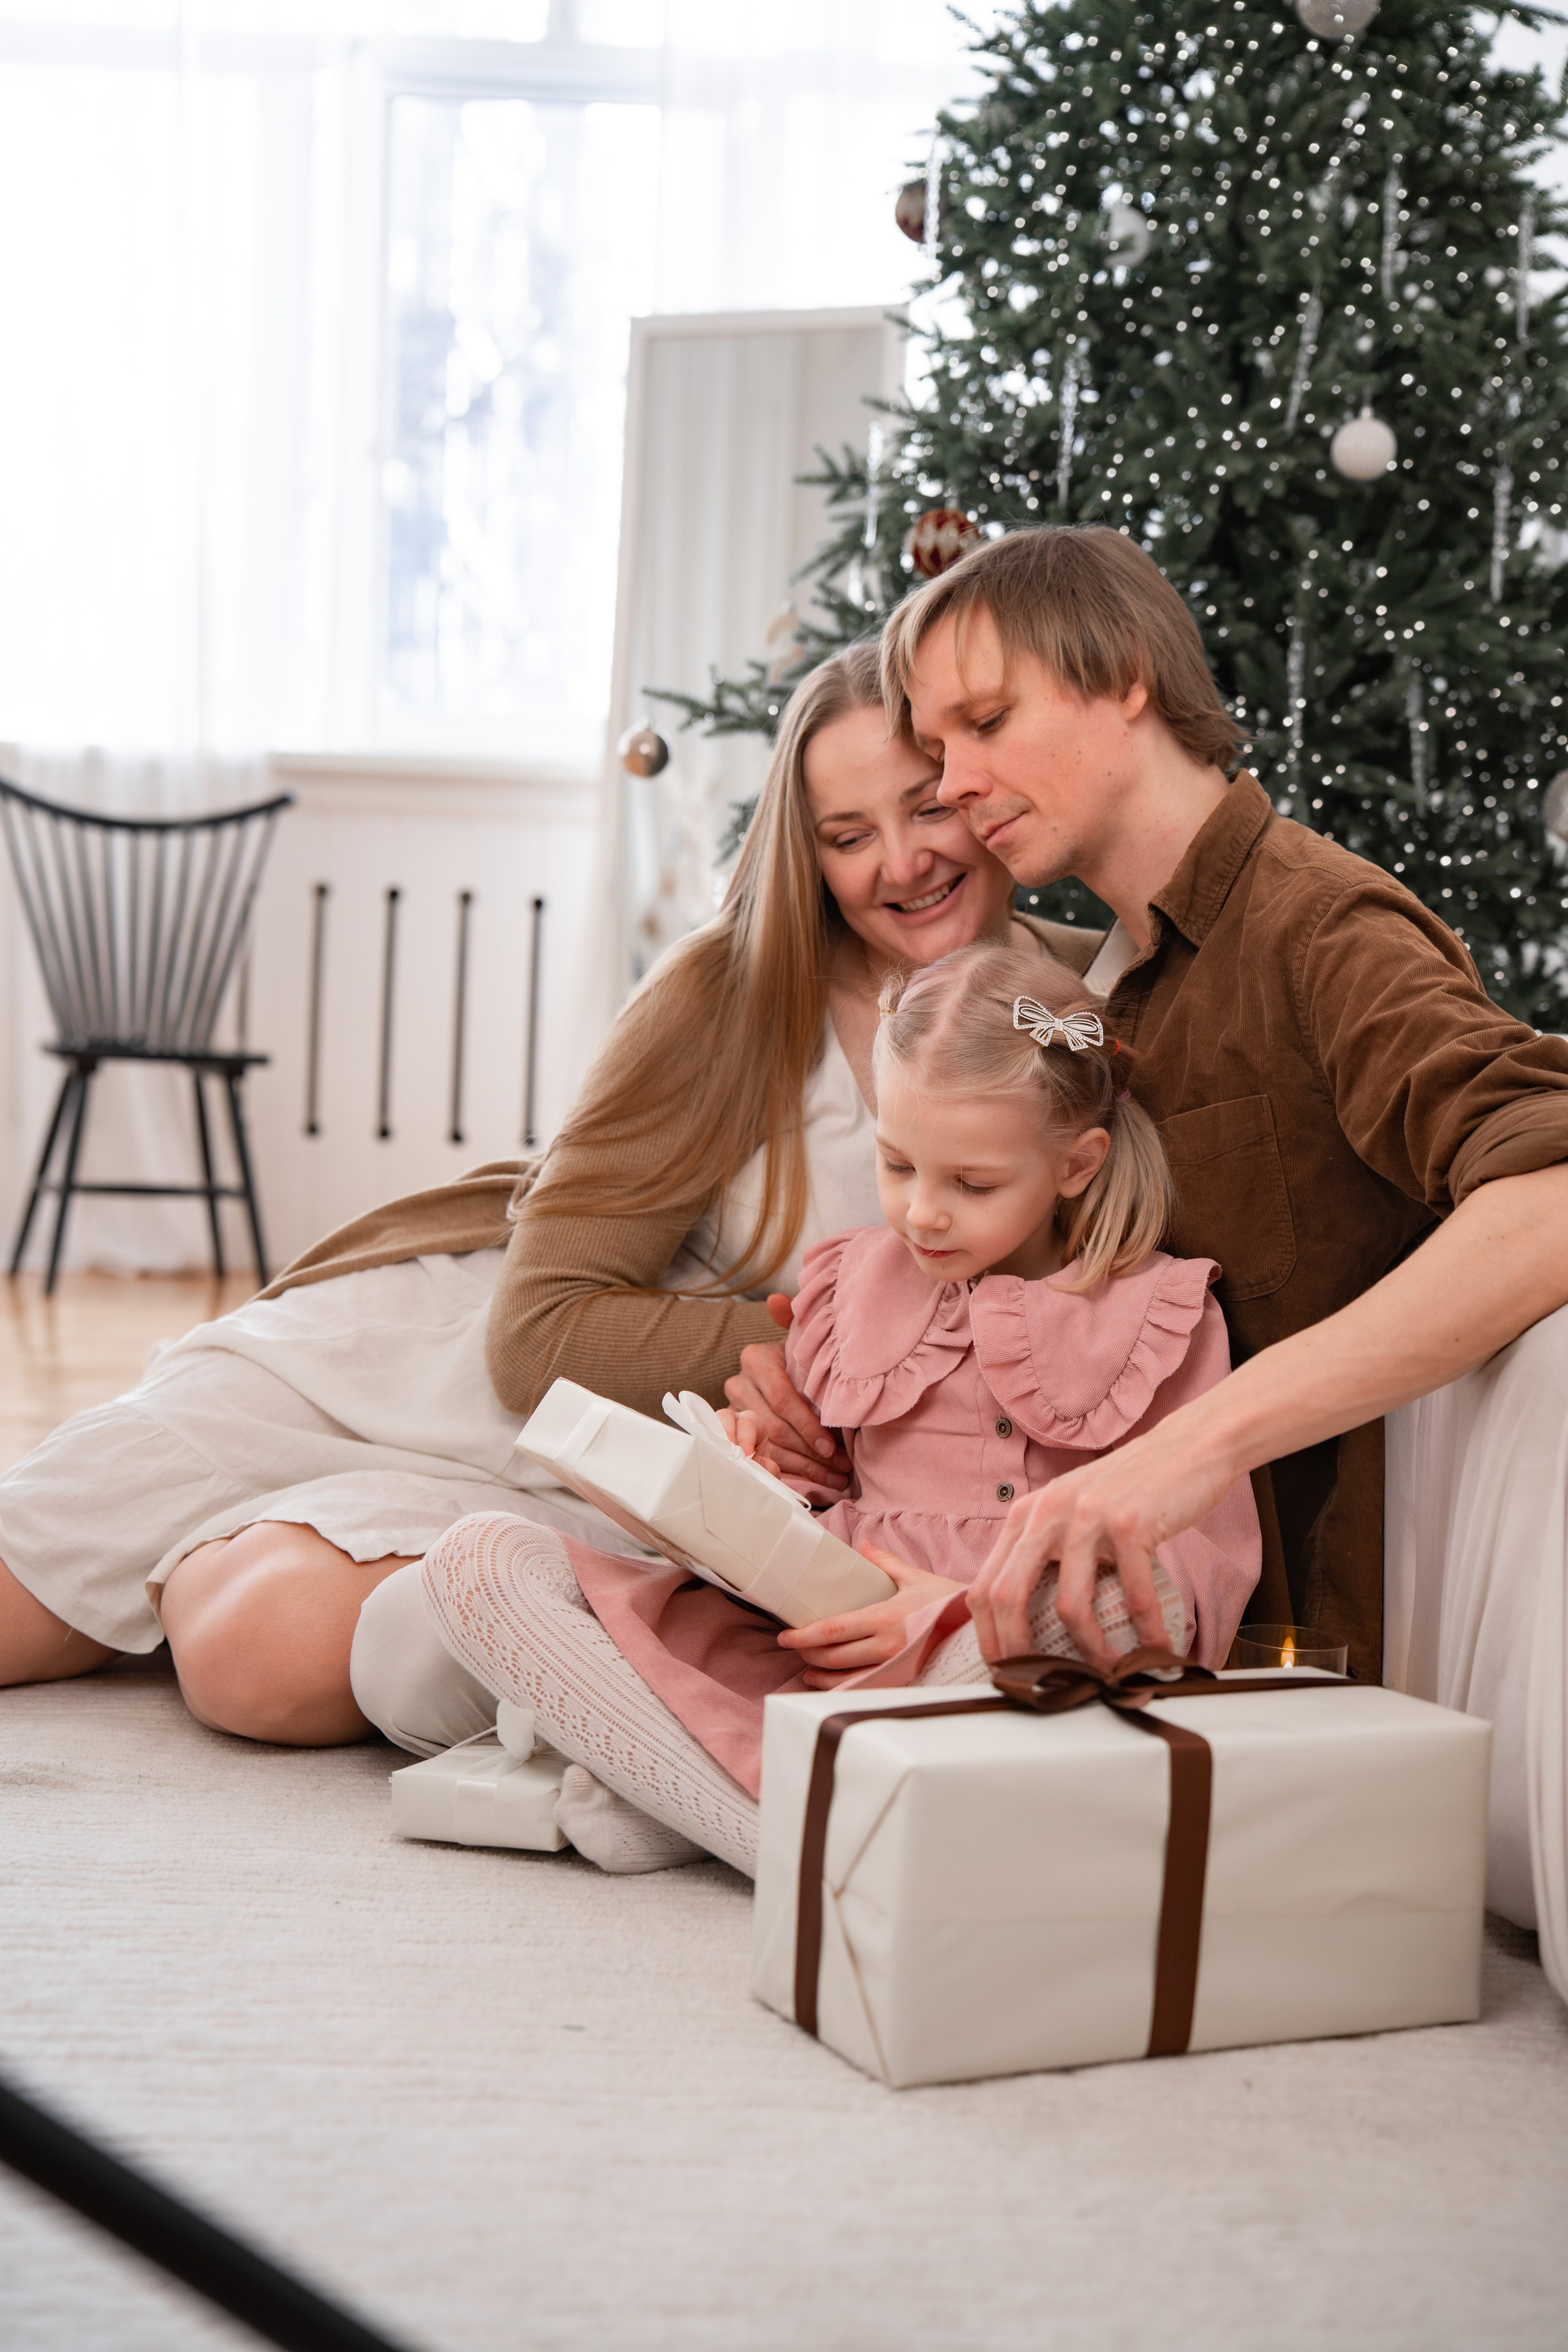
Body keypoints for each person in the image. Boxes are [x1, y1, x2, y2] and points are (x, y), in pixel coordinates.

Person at [0, 642, 1065, 1749]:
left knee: (260, 1663)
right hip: (452, 1368)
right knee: (40, 1564)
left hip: (619, 1470)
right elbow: (535, 1332)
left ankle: (209, 1569)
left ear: (986, 793)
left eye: (929, 809)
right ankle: (175, 1552)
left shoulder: (1078, 1010)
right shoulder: (730, 994)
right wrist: (818, 1352)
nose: (902, 863)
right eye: (847, 836)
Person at [855, 524, 1568, 1695]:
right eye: (936, 748)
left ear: (1126, 675)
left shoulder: (1319, 929)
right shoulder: (1095, 995)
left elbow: (1551, 1186)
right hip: (1088, 1601)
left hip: (1272, 1659)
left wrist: (1192, 1449)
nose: (951, 785)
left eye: (985, 723)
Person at [415, 944, 1261, 1875]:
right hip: (806, 1646)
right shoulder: (850, 1287)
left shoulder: (1162, 1315)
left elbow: (1190, 1581)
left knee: (1095, 1603)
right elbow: (816, 1493)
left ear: (1077, 1163)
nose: (923, 1215)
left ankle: (700, 1806)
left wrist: (966, 1617)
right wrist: (746, 1479)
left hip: (981, 1667)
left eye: (971, 1185)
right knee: (476, 1563)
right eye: (897, 1165)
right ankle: (778, 1835)